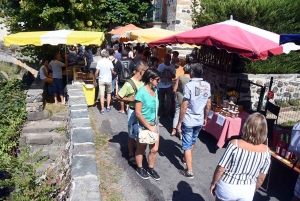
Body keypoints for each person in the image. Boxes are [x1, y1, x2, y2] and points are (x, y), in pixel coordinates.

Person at [210, 112, 271, 201]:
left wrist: (214, 183)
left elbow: (220, 169)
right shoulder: (266, 151)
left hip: (228, 187)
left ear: (246, 126)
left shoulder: (235, 144)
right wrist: (252, 191)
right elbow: (261, 178)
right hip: (247, 189)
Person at [176, 63, 211, 178]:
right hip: (199, 119)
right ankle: (187, 159)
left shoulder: (189, 86)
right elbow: (208, 104)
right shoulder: (207, 85)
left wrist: (180, 122)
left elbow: (184, 105)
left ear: (191, 73)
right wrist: (205, 117)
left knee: (186, 145)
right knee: (193, 142)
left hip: (189, 119)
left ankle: (189, 170)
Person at [117, 61, 149, 165]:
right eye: (146, 71)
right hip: (132, 111)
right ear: (141, 71)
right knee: (131, 134)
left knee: (141, 133)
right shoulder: (128, 83)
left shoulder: (144, 81)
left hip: (143, 111)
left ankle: (140, 151)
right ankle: (131, 153)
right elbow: (118, 96)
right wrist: (130, 99)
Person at [135, 68, 161, 180]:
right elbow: (138, 113)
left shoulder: (155, 91)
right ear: (151, 79)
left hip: (154, 125)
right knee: (141, 148)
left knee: (154, 149)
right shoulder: (141, 92)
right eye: (157, 79)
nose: (159, 81)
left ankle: (150, 168)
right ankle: (140, 168)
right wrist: (148, 126)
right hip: (143, 125)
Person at [171, 64, 191, 139]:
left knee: (177, 113)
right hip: (188, 100)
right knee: (185, 115)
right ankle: (181, 132)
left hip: (179, 97)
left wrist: (175, 93)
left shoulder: (180, 77)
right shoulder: (191, 79)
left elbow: (174, 89)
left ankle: (174, 130)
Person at [95, 50, 115, 115]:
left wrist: (95, 77)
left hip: (101, 79)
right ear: (107, 55)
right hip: (108, 79)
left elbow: (97, 71)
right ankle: (108, 106)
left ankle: (102, 109)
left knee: (102, 95)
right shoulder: (109, 62)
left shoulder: (99, 62)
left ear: (101, 55)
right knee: (109, 93)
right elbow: (112, 71)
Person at [157, 54, 176, 120]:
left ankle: (168, 113)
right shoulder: (160, 66)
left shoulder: (172, 66)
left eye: (168, 59)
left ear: (170, 60)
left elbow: (174, 76)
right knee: (161, 101)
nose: (167, 60)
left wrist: (171, 76)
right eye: (166, 59)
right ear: (164, 59)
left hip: (169, 86)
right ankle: (160, 113)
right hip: (161, 85)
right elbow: (158, 75)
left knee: (169, 102)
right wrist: (165, 76)